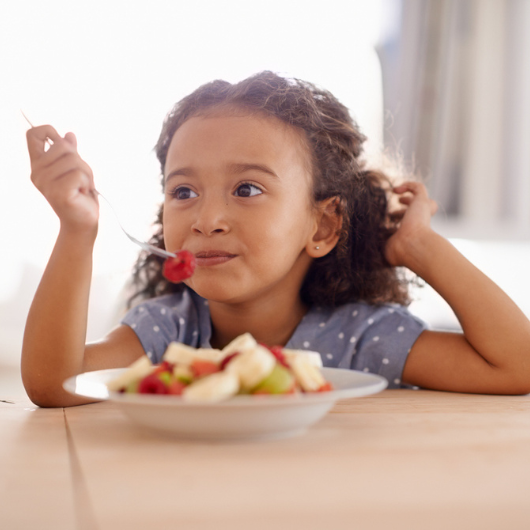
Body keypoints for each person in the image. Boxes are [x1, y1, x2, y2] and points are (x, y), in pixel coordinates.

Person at [22, 71, 530, 407]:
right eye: (183, 191)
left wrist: (420, 247)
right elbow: (55, 384)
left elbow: (517, 366)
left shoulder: (361, 339)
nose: (207, 218)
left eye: (247, 188)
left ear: (324, 226)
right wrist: (76, 229)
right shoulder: (167, 332)